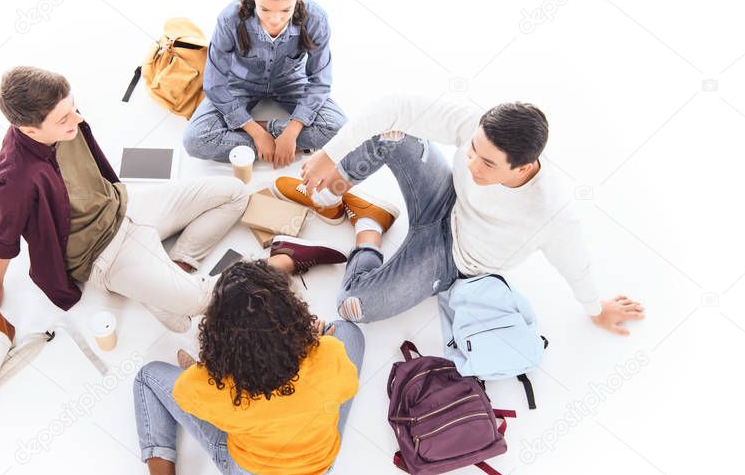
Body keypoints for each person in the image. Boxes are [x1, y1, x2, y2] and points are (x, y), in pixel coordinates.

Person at [273, 94, 645, 334]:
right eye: (471, 150)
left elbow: (575, 265)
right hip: (442, 197)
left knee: (352, 306)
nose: (471, 164)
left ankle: (367, 227)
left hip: (450, 259)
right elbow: (394, 106)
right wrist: (330, 155)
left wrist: (596, 308)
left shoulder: (551, 214)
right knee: (392, 133)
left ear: (523, 168)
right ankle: (332, 191)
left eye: (486, 163)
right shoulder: (479, 127)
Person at [0, 66, 253, 332]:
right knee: (195, 307)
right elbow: (5, 238)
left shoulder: (62, 118)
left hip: (127, 205)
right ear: (31, 130)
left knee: (236, 193)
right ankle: (177, 286)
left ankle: (178, 264)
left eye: (73, 107)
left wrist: (175, 265)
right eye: (64, 118)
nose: (78, 118)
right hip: (103, 253)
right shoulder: (13, 179)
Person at [132, 260, 364, 475]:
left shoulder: (210, 386)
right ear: (290, 310)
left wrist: (210, 369)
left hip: (249, 473)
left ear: (218, 332)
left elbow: (184, 396)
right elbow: (347, 387)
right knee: (349, 331)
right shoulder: (328, 355)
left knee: (148, 376)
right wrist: (318, 342)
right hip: (317, 468)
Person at [183, 0, 346, 167]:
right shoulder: (229, 19)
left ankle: (271, 138)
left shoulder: (316, 18)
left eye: (286, 10)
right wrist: (256, 133)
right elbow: (214, 83)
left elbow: (320, 81)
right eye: (265, 9)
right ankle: (270, 140)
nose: (275, 19)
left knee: (341, 130)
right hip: (240, 83)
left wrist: (291, 131)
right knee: (195, 140)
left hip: (290, 82)